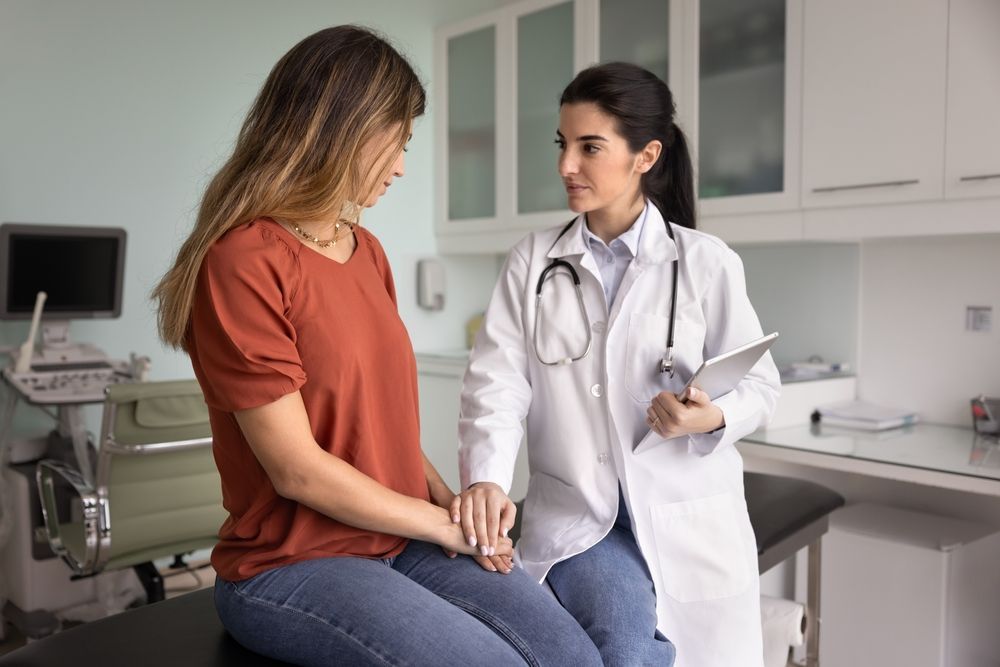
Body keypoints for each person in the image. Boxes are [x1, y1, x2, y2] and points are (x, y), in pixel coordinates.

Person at [153, 25, 602, 667]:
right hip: (291, 564)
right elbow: (297, 468)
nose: (399, 168)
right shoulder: (245, 260)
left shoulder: (367, 252)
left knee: (572, 655)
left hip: (396, 536)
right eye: (396, 143)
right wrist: (440, 526)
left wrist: (450, 502)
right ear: (339, 129)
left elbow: (378, 426)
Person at [454, 62, 781, 667]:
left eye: (589, 147)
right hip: (583, 517)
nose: (565, 166)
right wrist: (487, 479)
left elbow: (762, 385)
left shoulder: (706, 263)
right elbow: (497, 384)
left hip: (687, 515)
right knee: (625, 648)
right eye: (562, 144)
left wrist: (706, 418)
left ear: (646, 155)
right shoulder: (534, 260)